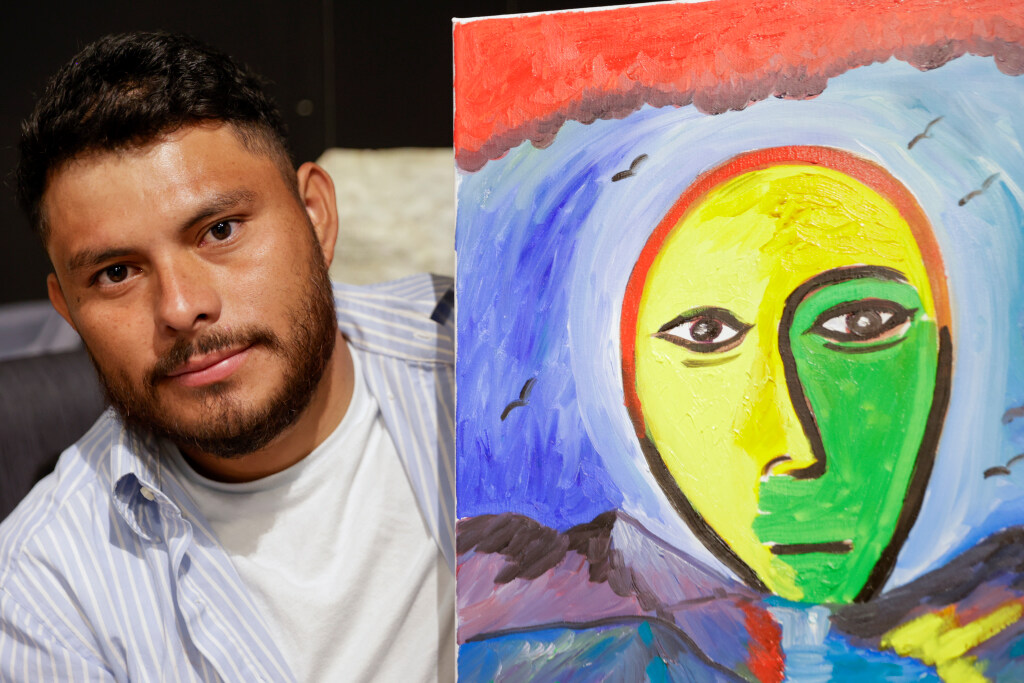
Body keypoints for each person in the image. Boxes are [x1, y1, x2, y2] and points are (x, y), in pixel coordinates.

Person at [0, 31, 454, 681]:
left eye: (219, 231)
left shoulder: (495, 358)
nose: (181, 307)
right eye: (117, 272)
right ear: (68, 310)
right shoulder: (42, 601)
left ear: (317, 216)